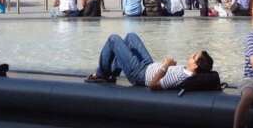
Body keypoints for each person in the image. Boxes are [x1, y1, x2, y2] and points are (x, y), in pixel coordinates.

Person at [85, 33, 213, 90]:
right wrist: (165, 65)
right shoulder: (188, 72)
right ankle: (112, 71)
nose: (191, 55)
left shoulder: (181, 76)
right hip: (149, 66)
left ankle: (101, 74)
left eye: (194, 56)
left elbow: (153, 84)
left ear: (195, 65)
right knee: (131, 36)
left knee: (114, 39)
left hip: (141, 75)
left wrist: (166, 66)